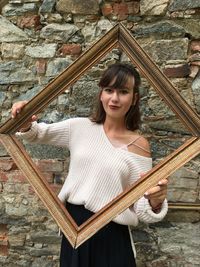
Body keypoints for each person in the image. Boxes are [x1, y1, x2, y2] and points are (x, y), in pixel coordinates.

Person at [11, 63, 168, 267]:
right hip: (74, 230)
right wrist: (23, 119)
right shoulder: (79, 127)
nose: (114, 98)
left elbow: (140, 203)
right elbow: (37, 133)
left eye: (123, 92)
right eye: (109, 90)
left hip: (113, 237)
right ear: (101, 93)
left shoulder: (139, 145)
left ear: (134, 98)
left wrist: (155, 202)